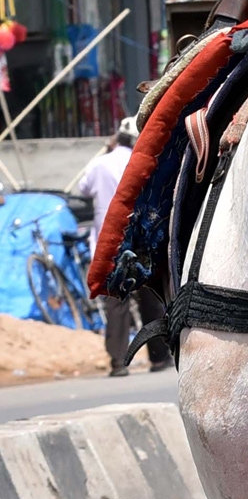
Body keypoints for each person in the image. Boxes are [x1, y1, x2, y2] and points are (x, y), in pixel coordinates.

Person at [77, 117, 173, 377]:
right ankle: (159, 357)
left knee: (115, 304)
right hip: (139, 243)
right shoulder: (143, 162)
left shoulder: (99, 164)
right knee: (150, 300)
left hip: (108, 245)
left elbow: (83, 188)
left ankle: (118, 363)